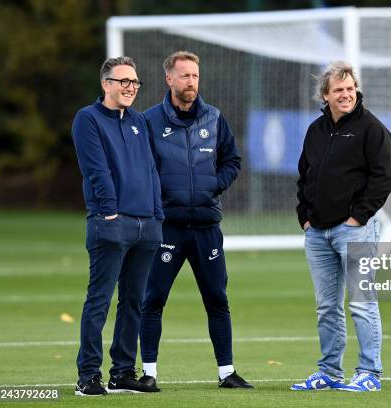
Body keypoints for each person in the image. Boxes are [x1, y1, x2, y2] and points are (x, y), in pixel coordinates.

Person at [140, 51, 251, 389]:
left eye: (195, 76)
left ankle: (227, 373)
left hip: (206, 227)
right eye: (184, 75)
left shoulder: (214, 119)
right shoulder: (149, 121)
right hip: (166, 226)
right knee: (153, 299)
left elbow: (232, 159)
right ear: (169, 79)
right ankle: (148, 374)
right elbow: (139, 167)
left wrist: (212, 185)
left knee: (217, 299)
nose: (191, 81)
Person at [293, 61, 391, 392]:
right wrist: (305, 217)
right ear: (325, 95)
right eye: (338, 90)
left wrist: (358, 217)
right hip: (317, 233)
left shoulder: (372, 128)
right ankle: (329, 371)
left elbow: (384, 179)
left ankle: (370, 373)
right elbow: (304, 176)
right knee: (327, 307)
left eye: (350, 88)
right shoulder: (315, 131)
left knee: (362, 302)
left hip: (355, 230)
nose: (346, 94)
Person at [72, 56, 164, 396]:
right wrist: (109, 211)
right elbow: (96, 170)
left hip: (147, 225)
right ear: (106, 84)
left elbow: (152, 169)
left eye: (135, 82)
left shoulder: (139, 121)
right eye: (123, 81)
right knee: (99, 300)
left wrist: (157, 214)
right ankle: (88, 376)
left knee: (134, 302)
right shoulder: (88, 118)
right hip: (110, 223)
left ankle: (123, 372)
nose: (130, 88)